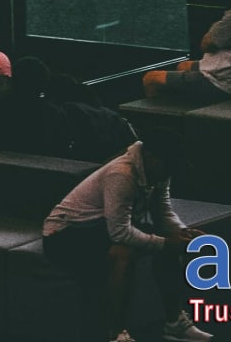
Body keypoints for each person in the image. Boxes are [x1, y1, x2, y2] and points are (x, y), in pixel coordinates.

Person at [42, 135, 212, 342]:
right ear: (150, 157)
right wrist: (166, 243)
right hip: (67, 232)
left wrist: (184, 233)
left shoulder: (161, 169)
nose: (171, 170)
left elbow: (163, 211)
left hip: (102, 225)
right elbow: (119, 233)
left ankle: (174, 322)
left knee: (171, 242)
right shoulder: (121, 174)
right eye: (168, 164)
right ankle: (117, 333)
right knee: (123, 253)